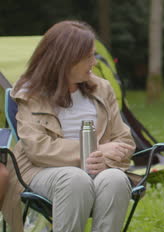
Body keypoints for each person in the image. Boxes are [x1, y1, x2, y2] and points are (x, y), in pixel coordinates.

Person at [1, 20, 135, 232]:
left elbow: (124, 141)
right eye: (88, 56)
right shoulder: (30, 91)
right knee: (74, 179)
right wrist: (94, 150)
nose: (94, 62)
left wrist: (104, 160)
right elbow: (37, 148)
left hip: (95, 170)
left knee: (116, 178)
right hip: (41, 170)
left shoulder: (102, 88)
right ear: (65, 60)